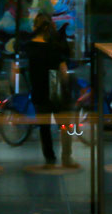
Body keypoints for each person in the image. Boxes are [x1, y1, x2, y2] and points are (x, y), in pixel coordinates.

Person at [19, 12, 76, 167]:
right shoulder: (54, 47)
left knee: (44, 127)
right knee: (64, 124)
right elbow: (63, 71)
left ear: (35, 26)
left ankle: (50, 158)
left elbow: (22, 67)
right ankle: (66, 156)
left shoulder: (30, 47)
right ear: (49, 27)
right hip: (55, 90)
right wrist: (66, 86)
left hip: (38, 91)